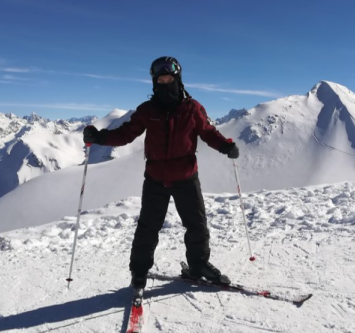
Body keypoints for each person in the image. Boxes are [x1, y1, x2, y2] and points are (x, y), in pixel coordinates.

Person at [83, 56, 240, 289]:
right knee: (148, 227)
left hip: (186, 176)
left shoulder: (192, 108)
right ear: (155, 83)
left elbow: (208, 132)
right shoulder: (148, 110)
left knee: (197, 225)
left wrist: (226, 146)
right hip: (156, 178)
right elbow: (126, 133)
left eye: (170, 79)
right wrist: (99, 137)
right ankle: (139, 272)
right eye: (161, 80)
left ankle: (198, 266)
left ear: (178, 80)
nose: (165, 84)